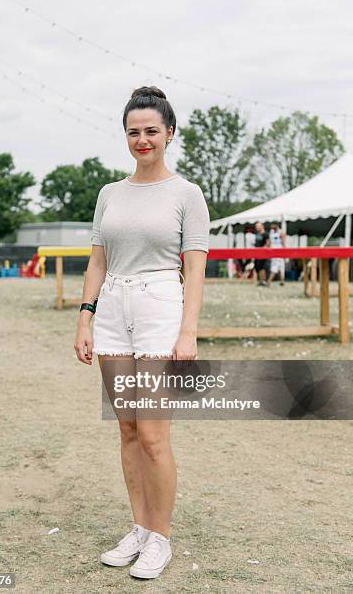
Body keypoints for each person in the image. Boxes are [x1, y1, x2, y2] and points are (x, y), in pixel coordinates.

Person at [73, 86, 209, 580]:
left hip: (159, 309)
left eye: (152, 130)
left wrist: (187, 331)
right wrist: (85, 317)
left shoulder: (186, 194)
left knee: (153, 433)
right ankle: (138, 527)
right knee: (127, 428)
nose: (143, 139)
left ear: (169, 133)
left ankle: (161, 538)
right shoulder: (110, 194)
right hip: (112, 308)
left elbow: (195, 269)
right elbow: (98, 260)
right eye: (134, 132)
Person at [254, 221, 270, 286]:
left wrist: (262, 249)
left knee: (262, 267)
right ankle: (260, 280)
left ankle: (263, 281)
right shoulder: (257, 234)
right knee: (257, 267)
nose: (257, 228)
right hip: (257, 253)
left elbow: (268, 243)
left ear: (262, 226)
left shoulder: (265, 234)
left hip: (263, 253)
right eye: (256, 226)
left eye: (258, 226)